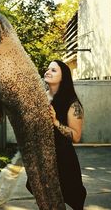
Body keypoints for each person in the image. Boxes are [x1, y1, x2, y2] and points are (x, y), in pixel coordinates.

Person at [26, 60, 87, 210]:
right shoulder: (41, 97)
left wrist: (56, 122)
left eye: (53, 70)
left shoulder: (73, 104)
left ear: (63, 77)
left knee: (71, 196)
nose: (48, 71)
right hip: (42, 156)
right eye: (48, 69)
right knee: (42, 194)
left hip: (63, 158)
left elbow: (76, 136)